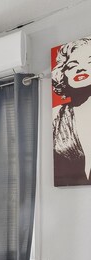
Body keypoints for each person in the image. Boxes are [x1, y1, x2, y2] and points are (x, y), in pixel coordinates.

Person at [52, 37, 91, 186]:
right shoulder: (56, 116)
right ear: (63, 75)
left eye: (89, 62)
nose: (81, 69)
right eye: (73, 65)